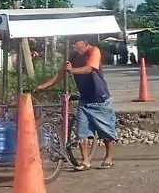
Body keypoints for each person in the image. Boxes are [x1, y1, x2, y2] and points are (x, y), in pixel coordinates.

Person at [36, 36, 116, 170]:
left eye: (76, 43)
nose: (74, 46)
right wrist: (43, 86)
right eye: (72, 44)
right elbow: (61, 74)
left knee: (106, 131)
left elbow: (89, 68)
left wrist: (72, 70)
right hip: (84, 98)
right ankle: (85, 161)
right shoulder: (73, 56)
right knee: (82, 132)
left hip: (99, 98)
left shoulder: (93, 51)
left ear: (84, 43)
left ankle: (108, 157)